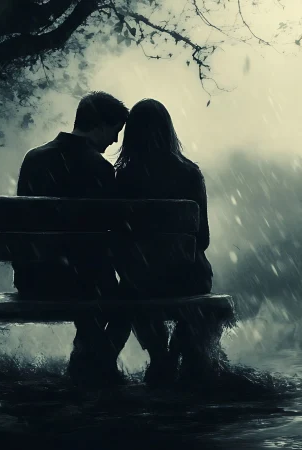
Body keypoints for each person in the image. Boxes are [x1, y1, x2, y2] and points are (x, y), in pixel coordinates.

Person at [11, 91, 131, 386]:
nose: (115, 141)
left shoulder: (34, 158)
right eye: (114, 131)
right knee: (127, 305)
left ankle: (87, 363)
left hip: (33, 279)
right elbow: (109, 234)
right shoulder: (100, 169)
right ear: (100, 125)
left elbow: (20, 225)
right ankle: (94, 365)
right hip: (85, 284)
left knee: (90, 282)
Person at [112, 98, 214, 385]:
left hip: (142, 281)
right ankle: (177, 353)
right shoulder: (190, 172)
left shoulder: (123, 177)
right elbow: (202, 239)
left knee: (134, 289)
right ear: (168, 130)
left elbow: (118, 238)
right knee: (194, 293)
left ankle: (159, 355)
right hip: (188, 277)